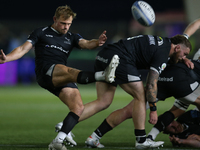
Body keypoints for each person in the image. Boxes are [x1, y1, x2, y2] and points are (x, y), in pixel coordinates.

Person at [0, 5, 119, 150]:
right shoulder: (41, 32)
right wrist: (7, 58)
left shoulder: (72, 36)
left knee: (78, 108)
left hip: (60, 76)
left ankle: (58, 141)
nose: (66, 27)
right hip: (46, 72)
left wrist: (97, 42)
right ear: (55, 19)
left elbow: (86, 43)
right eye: (63, 23)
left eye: (69, 24)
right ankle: (102, 75)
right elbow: (23, 49)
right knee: (69, 71)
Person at [55, 34, 192, 149]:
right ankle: (141, 140)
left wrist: (184, 58)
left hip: (104, 55)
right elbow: (151, 83)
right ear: (177, 47)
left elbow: (173, 55)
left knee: (103, 101)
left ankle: (66, 125)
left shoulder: (164, 43)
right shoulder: (164, 52)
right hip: (120, 59)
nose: (183, 57)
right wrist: (153, 109)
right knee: (141, 96)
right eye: (184, 54)